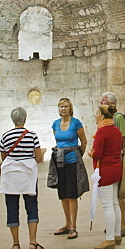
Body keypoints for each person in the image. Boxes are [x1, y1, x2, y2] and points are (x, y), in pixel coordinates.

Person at [0, 106, 46, 249]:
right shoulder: (32, 135)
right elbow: (38, 157)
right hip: (28, 175)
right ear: (25, 119)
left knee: (12, 207)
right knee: (31, 207)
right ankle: (32, 242)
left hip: (11, 176)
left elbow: (4, 157)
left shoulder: (5, 136)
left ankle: (15, 244)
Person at [50, 97, 87, 239]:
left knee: (72, 194)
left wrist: (78, 155)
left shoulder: (76, 123)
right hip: (59, 162)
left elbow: (83, 141)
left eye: (65, 106)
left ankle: (74, 226)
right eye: (61, 107)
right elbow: (58, 140)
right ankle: (67, 223)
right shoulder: (55, 124)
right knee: (63, 194)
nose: (63, 109)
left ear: (70, 108)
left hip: (72, 161)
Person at [90, 103, 123, 249]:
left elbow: (97, 154)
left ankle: (109, 238)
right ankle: (116, 234)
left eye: (96, 113)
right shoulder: (115, 130)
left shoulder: (102, 132)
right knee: (115, 203)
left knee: (107, 205)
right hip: (116, 169)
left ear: (102, 116)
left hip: (105, 171)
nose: (95, 116)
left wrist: (90, 154)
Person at [101, 92, 125, 237]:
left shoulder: (118, 118)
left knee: (119, 195)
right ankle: (116, 225)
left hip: (117, 160)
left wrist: (124, 157)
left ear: (112, 104)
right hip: (113, 160)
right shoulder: (108, 120)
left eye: (104, 100)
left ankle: (122, 224)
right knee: (114, 197)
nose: (101, 102)